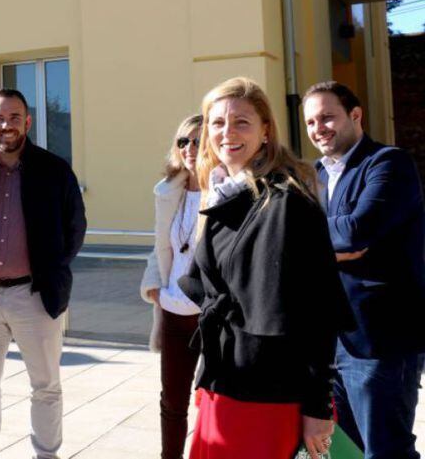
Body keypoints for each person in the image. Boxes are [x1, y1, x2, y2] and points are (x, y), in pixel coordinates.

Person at [179, 77, 351, 459]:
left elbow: (318, 312)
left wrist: (318, 406)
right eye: (217, 123)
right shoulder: (224, 194)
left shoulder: (288, 202)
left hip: (270, 398)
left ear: (266, 131)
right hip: (224, 388)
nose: (227, 133)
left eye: (241, 122)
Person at [0, 88, 87, 459]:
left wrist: (49, 268)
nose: (6, 125)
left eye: (14, 118)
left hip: (35, 295)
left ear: (27, 122)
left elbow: (74, 228)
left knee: (46, 386)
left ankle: (45, 454)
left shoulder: (55, 170)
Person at [303, 80, 425, 459]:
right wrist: (327, 246)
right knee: (344, 451)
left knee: (385, 451)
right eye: (310, 122)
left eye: (327, 117)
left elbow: (357, 231)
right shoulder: (314, 174)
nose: (318, 128)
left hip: (379, 341)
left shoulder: (388, 163)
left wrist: (311, 239)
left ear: (355, 115)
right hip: (330, 342)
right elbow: (298, 235)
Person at [140, 114, 203, 459]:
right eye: (183, 141)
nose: (189, 148)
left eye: (197, 140)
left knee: (212, 400)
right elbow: (161, 245)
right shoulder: (169, 190)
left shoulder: (225, 189)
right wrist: (154, 286)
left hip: (209, 314)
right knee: (172, 402)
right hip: (173, 310)